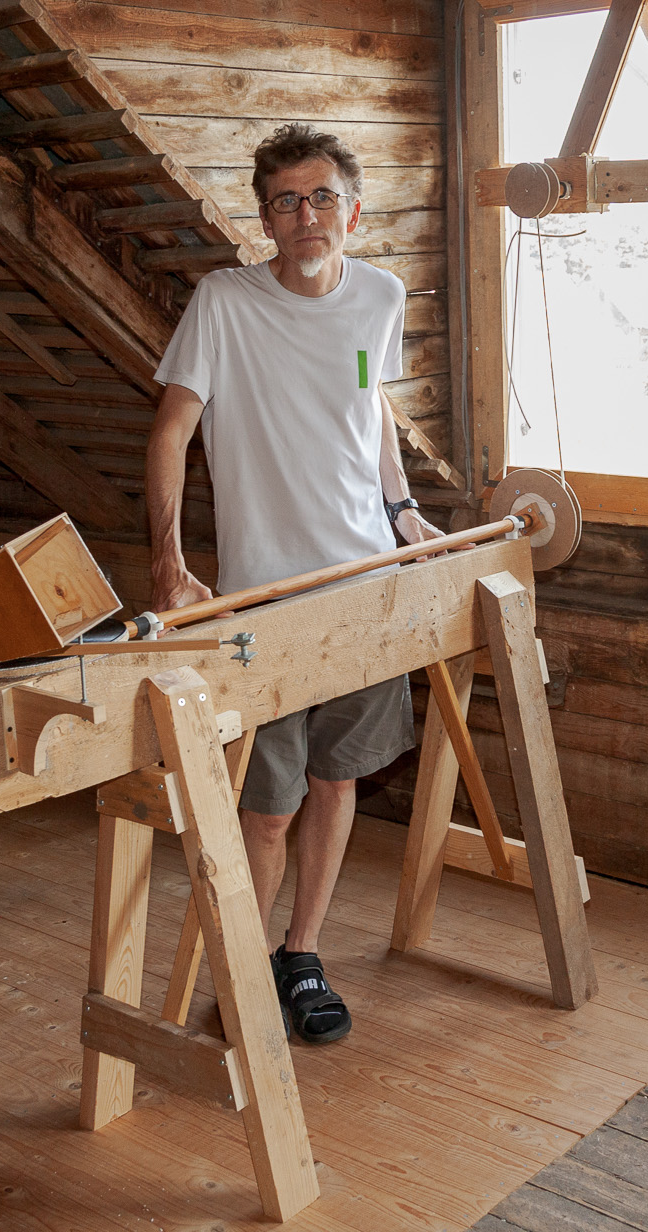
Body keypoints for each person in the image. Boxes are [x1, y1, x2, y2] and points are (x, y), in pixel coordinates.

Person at [144, 123, 444, 1044]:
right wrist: (168, 560)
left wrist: (401, 512)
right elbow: (168, 435)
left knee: (337, 780)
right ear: (266, 218)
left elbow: (371, 408)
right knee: (265, 810)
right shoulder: (224, 304)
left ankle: (301, 953)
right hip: (265, 605)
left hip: (364, 586)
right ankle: (239, 965)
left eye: (321, 197)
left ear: (352, 210)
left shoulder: (379, 296)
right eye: (285, 201)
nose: (305, 214)